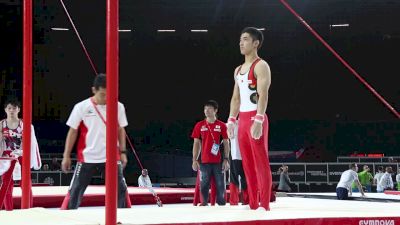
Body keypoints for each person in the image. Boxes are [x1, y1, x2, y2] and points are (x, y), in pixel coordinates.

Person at [60, 74, 130, 209]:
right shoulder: (81, 107)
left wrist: (122, 152)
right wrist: (66, 156)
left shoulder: (118, 107)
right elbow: (72, 131)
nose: (106, 98)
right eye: (102, 94)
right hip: (87, 156)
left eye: (109, 94)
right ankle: (67, 217)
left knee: (120, 190)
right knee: (75, 191)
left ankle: (122, 218)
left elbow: (121, 130)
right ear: (94, 90)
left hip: (111, 156)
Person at [227, 27, 272, 210]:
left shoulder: (261, 65)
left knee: (260, 161)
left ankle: (265, 204)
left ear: (255, 43)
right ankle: (253, 202)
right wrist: (231, 120)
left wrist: (259, 119)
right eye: (240, 39)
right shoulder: (238, 70)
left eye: (245, 39)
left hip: (255, 117)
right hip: (242, 120)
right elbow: (236, 98)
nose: (241, 42)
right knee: (247, 164)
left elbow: (263, 94)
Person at [0, 99, 41, 210]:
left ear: (18, 109)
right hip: (6, 157)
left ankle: (28, 209)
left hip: (22, 155)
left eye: (14, 108)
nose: (11, 110)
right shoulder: (1, 124)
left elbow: (28, 141)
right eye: (9, 108)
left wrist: (19, 153)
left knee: (26, 184)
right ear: (5, 110)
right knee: (6, 185)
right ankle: (8, 210)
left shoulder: (25, 124)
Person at [191, 100, 230, 206]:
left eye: (209, 109)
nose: (206, 111)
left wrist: (226, 159)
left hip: (218, 161)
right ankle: (204, 203)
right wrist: (194, 160)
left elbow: (226, 143)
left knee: (220, 184)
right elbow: (196, 143)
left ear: (215, 110)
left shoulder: (222, 125)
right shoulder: (199, 125)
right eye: (205, 109)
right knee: (204, 184)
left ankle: (221, 203)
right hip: (204, 161)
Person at [228, 120, 248, 205]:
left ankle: (236, 200)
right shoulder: (230, 123)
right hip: (237, 155)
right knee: (241, 178)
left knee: (243, 179)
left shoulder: (230, 123)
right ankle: (242, 200)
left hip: (242, 155)